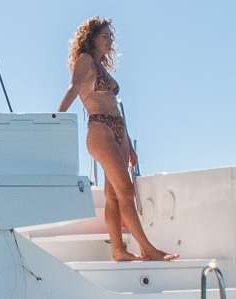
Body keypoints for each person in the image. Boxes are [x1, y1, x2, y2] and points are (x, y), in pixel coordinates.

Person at [58, 16, 173, 262]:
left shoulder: (102, 67)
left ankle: (118, 250)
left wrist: (128, 142)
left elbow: (115, 106)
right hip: (100, 129)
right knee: (126, 191)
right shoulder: (85, 60)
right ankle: (146, 248)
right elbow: (74, 87)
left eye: (111, 36)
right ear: (91, 38)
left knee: (112, 195)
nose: (110, 40)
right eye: (105, 35)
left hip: (119, 130)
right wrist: (56, 117)